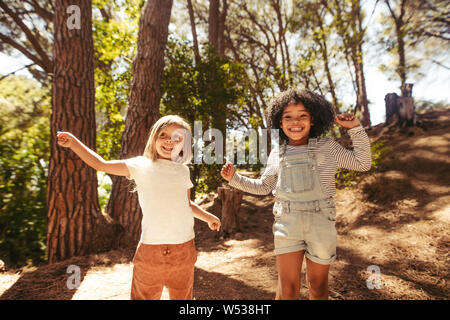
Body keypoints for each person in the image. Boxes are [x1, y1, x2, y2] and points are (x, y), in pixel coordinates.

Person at [221, 88, 371, 300]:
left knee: (317, 286)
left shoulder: (327, 147)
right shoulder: (277, 152)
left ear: (313, 120)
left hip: (321, 222)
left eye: (303, 115)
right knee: (287, 289)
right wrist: (235, 179)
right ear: (280, 123)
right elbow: (264, 186)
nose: (296, 122)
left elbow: (362, 163)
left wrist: (355, 128)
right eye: (288, 117)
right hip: (287, 222)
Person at [57, 115, 221, 300]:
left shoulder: (183, 171)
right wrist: (73, 143)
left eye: (177, 138)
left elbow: (186, 204)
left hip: (184, 248)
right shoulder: (140, 165)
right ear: (154, 137)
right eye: (163, 134)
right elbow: (100, 164)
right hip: (151, 249)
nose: (169, 141)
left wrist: (208, 217)